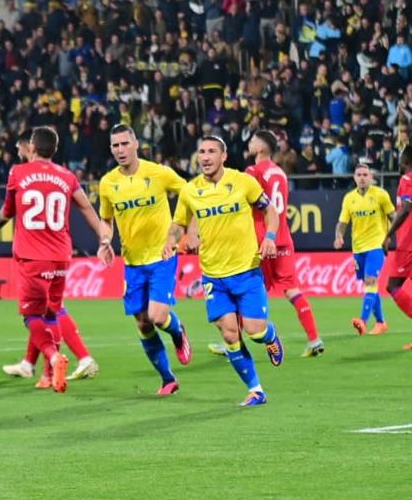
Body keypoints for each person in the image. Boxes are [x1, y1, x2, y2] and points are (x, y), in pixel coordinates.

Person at [0, 127, 114, 393]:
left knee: (31, 316)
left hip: (32, 258)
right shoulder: (67, 176)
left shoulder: (18, 173)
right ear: (54, 150)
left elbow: (7, 212)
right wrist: (104, 239)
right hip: (62, 257)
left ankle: (53, 358)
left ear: (32, 146)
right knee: (52, 312)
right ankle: (46, 372)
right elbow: (87, 208)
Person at [165, 135, 284, 407]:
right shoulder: (190, 190)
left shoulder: (243, 181)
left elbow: (270, 211)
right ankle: (256, 390)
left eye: (211, 152)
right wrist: (172, 240)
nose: (205, 157)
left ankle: (270, 335)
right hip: (213, 275)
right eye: (201, 152)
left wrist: (270, 237)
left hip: (247, 270)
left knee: (254, 331)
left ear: (224, 156)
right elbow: (178, 223)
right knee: (230, 333)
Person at [210, 130, 325, 357]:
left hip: (259, 240)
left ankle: (233, 343)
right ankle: (314, 339)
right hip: (283, 239)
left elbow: (245, 201)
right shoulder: (280, 173)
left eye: (252, 140)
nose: (249, 143)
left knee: (241, 290)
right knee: (292, 290)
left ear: (261, 148)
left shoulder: (253, 172)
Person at [97, 124, 193, 396]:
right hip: (133, 261)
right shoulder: (108, 183)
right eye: (115, 145)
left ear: (136, 144)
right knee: (142, 322)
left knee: (157, 315)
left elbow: (189, 195)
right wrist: (105, 241)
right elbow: (106, 219)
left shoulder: (158, 173)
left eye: (125, 143)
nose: (120, 150)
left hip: (162, 255)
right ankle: (167, 379)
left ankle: (177, 331)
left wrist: (185, 230)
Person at [334, 163, 395, 335]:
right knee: (370, 285)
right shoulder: (349, 198)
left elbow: (394, 216)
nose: (362, 177)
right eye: (359, 174)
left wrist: (389, 237)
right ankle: (381, 322)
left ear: (370, 177)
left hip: (376, 245)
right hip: (358, 249)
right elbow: (343, 223)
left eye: (365, 175)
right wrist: (339, 237)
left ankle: (363, 320)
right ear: (354, 177)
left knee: (370, 281)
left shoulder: (380, 195)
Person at [383, 148, 412, 349]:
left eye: (401, 154)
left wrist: (388, 233)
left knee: (392, 285)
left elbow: (407, 208)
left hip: (408, 243)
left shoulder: (407, 179)